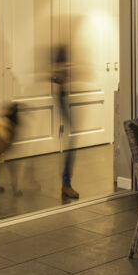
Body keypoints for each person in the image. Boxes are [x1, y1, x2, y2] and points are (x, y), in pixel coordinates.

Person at [52, 45, 80, 200]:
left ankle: (66, 182)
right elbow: (52, 75)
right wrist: (62, 68)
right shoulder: (56, 56)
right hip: (61, 97)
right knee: (71, 139)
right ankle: (66, 183)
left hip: (64, 97)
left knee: (72, 138)